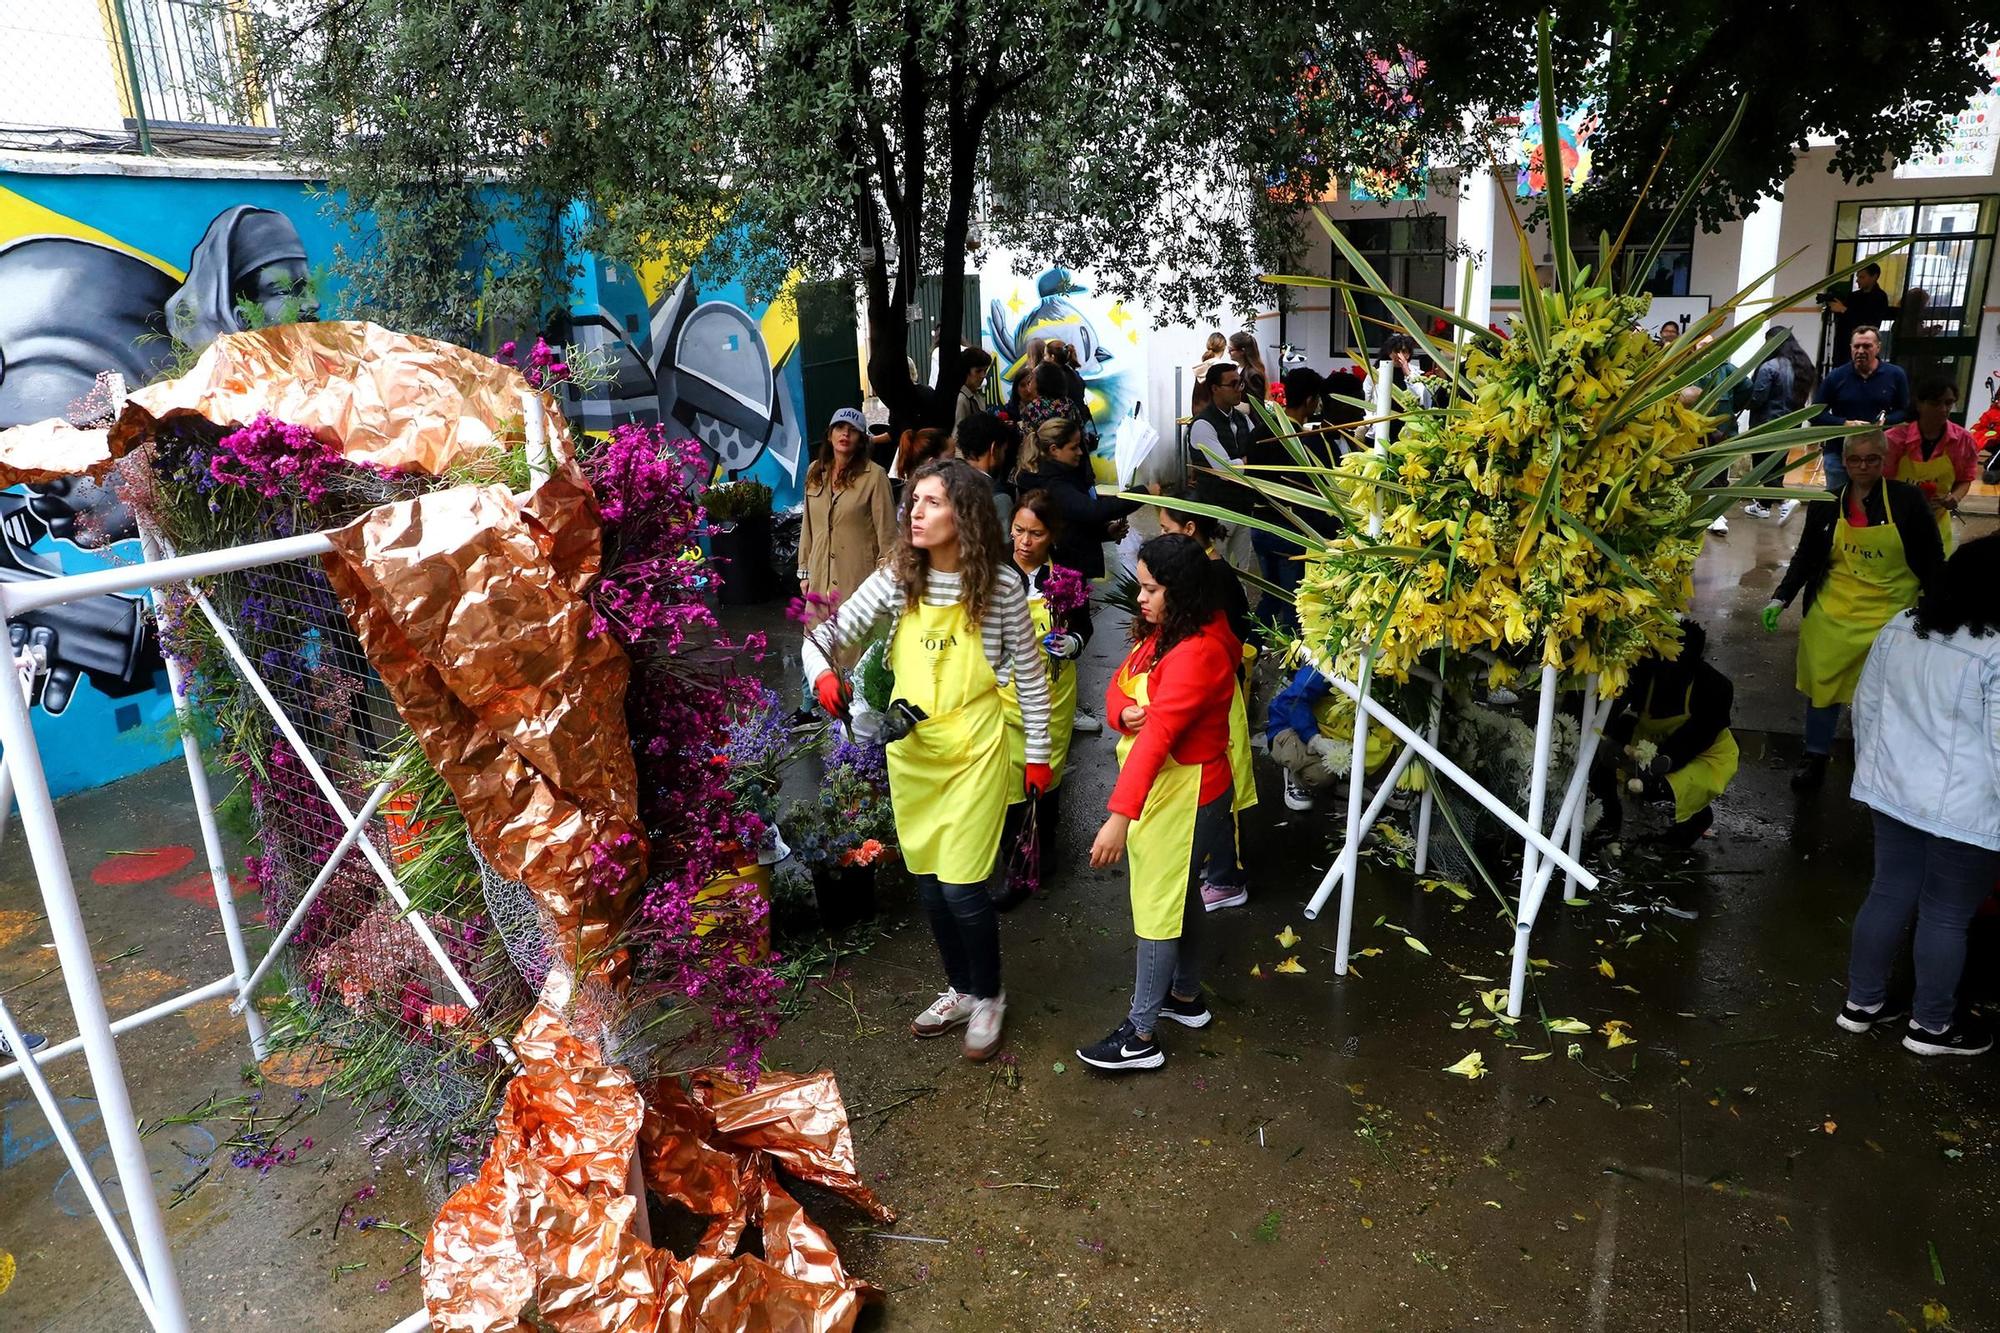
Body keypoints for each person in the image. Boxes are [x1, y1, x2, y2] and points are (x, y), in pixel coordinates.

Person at [805, 460, 1053, 1062]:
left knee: (963, 886)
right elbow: (824, 634)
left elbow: (1031, 676)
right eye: (913, 500)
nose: (915, 511)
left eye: (932, 502)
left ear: (962, 514)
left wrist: (1040, 756)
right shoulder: (898, 574)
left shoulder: (999, 587)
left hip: (974, 748)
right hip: (912, 751)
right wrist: (822, 679)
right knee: (929, 887)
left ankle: (989, 994)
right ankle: (961, 989)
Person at [1078, 534, 1239, 1072]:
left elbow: (1160, 735)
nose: (1140, 599)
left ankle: (1140, 1035)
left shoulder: (1198, 651)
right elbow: (1121, 685)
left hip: (1187, 792)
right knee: (1178, 897)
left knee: (1156, 907)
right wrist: (1121, 713)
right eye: (1141, 586)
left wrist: (1118, 818)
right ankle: (1184, 997)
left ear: (1182, 590)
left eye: (1151, 588)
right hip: (1176, 788)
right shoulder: (1168, 633)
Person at [1840, 535, 2000, 1056]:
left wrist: (1870, 777)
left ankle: (1861, 1004)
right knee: (1947, 913)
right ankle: (1931, 1026)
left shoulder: (1902, 625)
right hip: (1966, 810)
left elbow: (1864, 708)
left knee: (1887, 892)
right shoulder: (1996, 649)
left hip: (1894, 793)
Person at [1761, 431, 1945, 791]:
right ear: (1844, 462)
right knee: (1823, 688)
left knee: (1885, 696)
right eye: (1855, 459)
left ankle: (1879, 765)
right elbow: (1807, 556)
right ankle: (1815, 755)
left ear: (1884, 461)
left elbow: (1932, 560)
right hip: (1834, 608)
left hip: (1890, 613)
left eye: (1872, 459)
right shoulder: (1828, 502)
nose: (1863, 466)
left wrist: (1941, 609)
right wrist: (1780, 597)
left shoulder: (1906, 501)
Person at [1016, 417, 1153, 734]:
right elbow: (1087, 512)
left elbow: (1079, 520)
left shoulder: (1059, 477)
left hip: (1068, 567)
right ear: (1054, 449)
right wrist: (1142, 494)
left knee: (1064, 638)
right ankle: (1055, 705)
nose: (1082, 452)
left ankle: (1061, 701)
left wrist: (1105, 531)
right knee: (1056, 638)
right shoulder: (1054, 484)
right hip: (1061, 572)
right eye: (1074, 447)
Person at [1154, 506, 1257, 910]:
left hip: (1217, 700)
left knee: (1215, 788)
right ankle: (1215, 866)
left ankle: (1225, 876)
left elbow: (1237, 633)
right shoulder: (1208, 576)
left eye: (1166, 529)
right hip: (1215, 696)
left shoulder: (1212, 585)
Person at [994, 490, 1085, 908]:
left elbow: (1085, 623)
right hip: (1006, 693)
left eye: (1035, 533)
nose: (1024, 542)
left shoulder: (1065, 576)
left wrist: (1073, 642)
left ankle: (1044, 852)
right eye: (1018, 531)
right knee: (1012, 783)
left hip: (1055, 693)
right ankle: (1016, 867)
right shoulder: (994, 573)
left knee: (1048, 776)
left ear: (1052, 536)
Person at [1595, 620, 1738, 846]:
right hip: (1648, 743)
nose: (1669, 670)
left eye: (1677, 662)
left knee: (1659, 786)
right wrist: (1612, 741)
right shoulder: (1646, 670)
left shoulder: (1715, 687)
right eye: (1664, 658)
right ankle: (1609, 816)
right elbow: (1617, 709)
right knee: (1601, 759)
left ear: (1694, 661)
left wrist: (1661, 763)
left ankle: (1696, 819)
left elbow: (1696, 737)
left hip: (1703, 755)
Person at [1240, 367, 1324, 631]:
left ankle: (1249, 647)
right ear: (1310, 401)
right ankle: (1290, 664)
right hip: (1288, 527)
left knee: (1271, 594)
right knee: (1293, 602)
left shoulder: (1259, 431)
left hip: (1260, 523)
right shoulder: (1301, 441)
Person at [799, 407, 897, 603]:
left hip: (858, 580)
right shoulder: (815, 471)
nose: (845, 434)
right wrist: (804, 572)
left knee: (855, 633)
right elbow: (807, 526)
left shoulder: (875, 476)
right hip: (820, 577)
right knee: (818, 633)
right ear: (829, 435)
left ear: (861, 440)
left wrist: (885, 579)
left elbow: (887, 532)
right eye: (839, 427)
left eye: (853, 430)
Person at [1884, 379, 1977, 554]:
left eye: (1949, 403)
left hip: (1937, 524)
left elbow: (1965, 479)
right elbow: (1882, 482)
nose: (1943, 409)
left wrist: (1954, 498)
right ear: (1919, 404)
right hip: (1896, 522)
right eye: (1935, 403)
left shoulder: (1963, 440)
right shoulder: (1894, 439)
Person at [1812, 327, 1911, 491]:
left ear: (1878, 347)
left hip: (1877, 455)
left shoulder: (1895, 375)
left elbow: (1905, 410)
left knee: (1873, 504)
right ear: (1850, 347)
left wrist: (1885, 422)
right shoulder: (1836, 376)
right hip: (1839, 453)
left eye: (1867, 346)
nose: (1860, 351)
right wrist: (1845, 424)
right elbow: (1815, 414)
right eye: (1856, 346)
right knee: (1838, 503)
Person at [1741, 328, 1816, 520]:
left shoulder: (1769, 367)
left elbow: (1758, 398)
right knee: (1777, 465)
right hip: (1791, 425)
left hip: (1767, 425)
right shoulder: (1803, 366)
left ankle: (1785, 501)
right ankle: (1763, 506)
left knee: (1763, 468)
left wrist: (1742, 400)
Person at [955, 413, 1018, 529]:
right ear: (994, 449)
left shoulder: (947, 484)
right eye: (1004, 450)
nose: (1004, 456)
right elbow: (1003, 546)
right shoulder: (999, 499)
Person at [1828, 262, 1892, 367]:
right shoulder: (1854, 296)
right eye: (1857, 277)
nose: (1858, 280)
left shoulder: (1879, 297)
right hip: (1844, 344)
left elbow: (1870, 323)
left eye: (1862, 277)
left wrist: (1844, 310)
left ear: (1874, 277)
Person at [955, 347, 994, 427]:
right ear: (965, 371)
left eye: (985, 370)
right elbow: (958, 435)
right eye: (978, 371)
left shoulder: (974, 394)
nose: (983, 375)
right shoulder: (961, 399)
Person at [1228, 330, 1268, 402]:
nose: (1228, 352)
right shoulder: (1236, 369)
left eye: (1231, 349)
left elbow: (1257, 405)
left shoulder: (1253, 375)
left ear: (1242, 351)